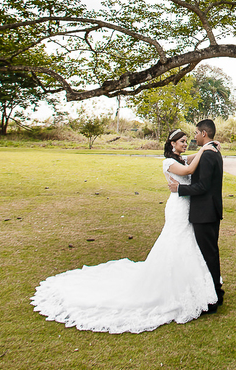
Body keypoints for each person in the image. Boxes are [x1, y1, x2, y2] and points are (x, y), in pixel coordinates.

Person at [30, 128, 219, 333]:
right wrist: (206, 147)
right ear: (172, 144)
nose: (185, 144)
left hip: (186, 207)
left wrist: (206, 149)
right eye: (181, 141)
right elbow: (190, 171)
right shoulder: (169, 162)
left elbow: (190, 158)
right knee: (174, 241)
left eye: (185, 141)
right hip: (177, 207)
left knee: (186, 243)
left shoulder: (180, 158)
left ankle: (190, 283)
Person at [167, 118, 224, 312]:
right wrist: (204, 148)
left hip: (205, 212)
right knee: (207, 253)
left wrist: (180, 188)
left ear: (204, 134)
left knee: (208, 254)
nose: (193, 137)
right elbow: (188, 163)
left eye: (196, 133)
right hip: (207, 211)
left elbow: (202, 186)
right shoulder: (209, 151)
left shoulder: (209, 154)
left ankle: (214, 295)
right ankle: (212, 291)